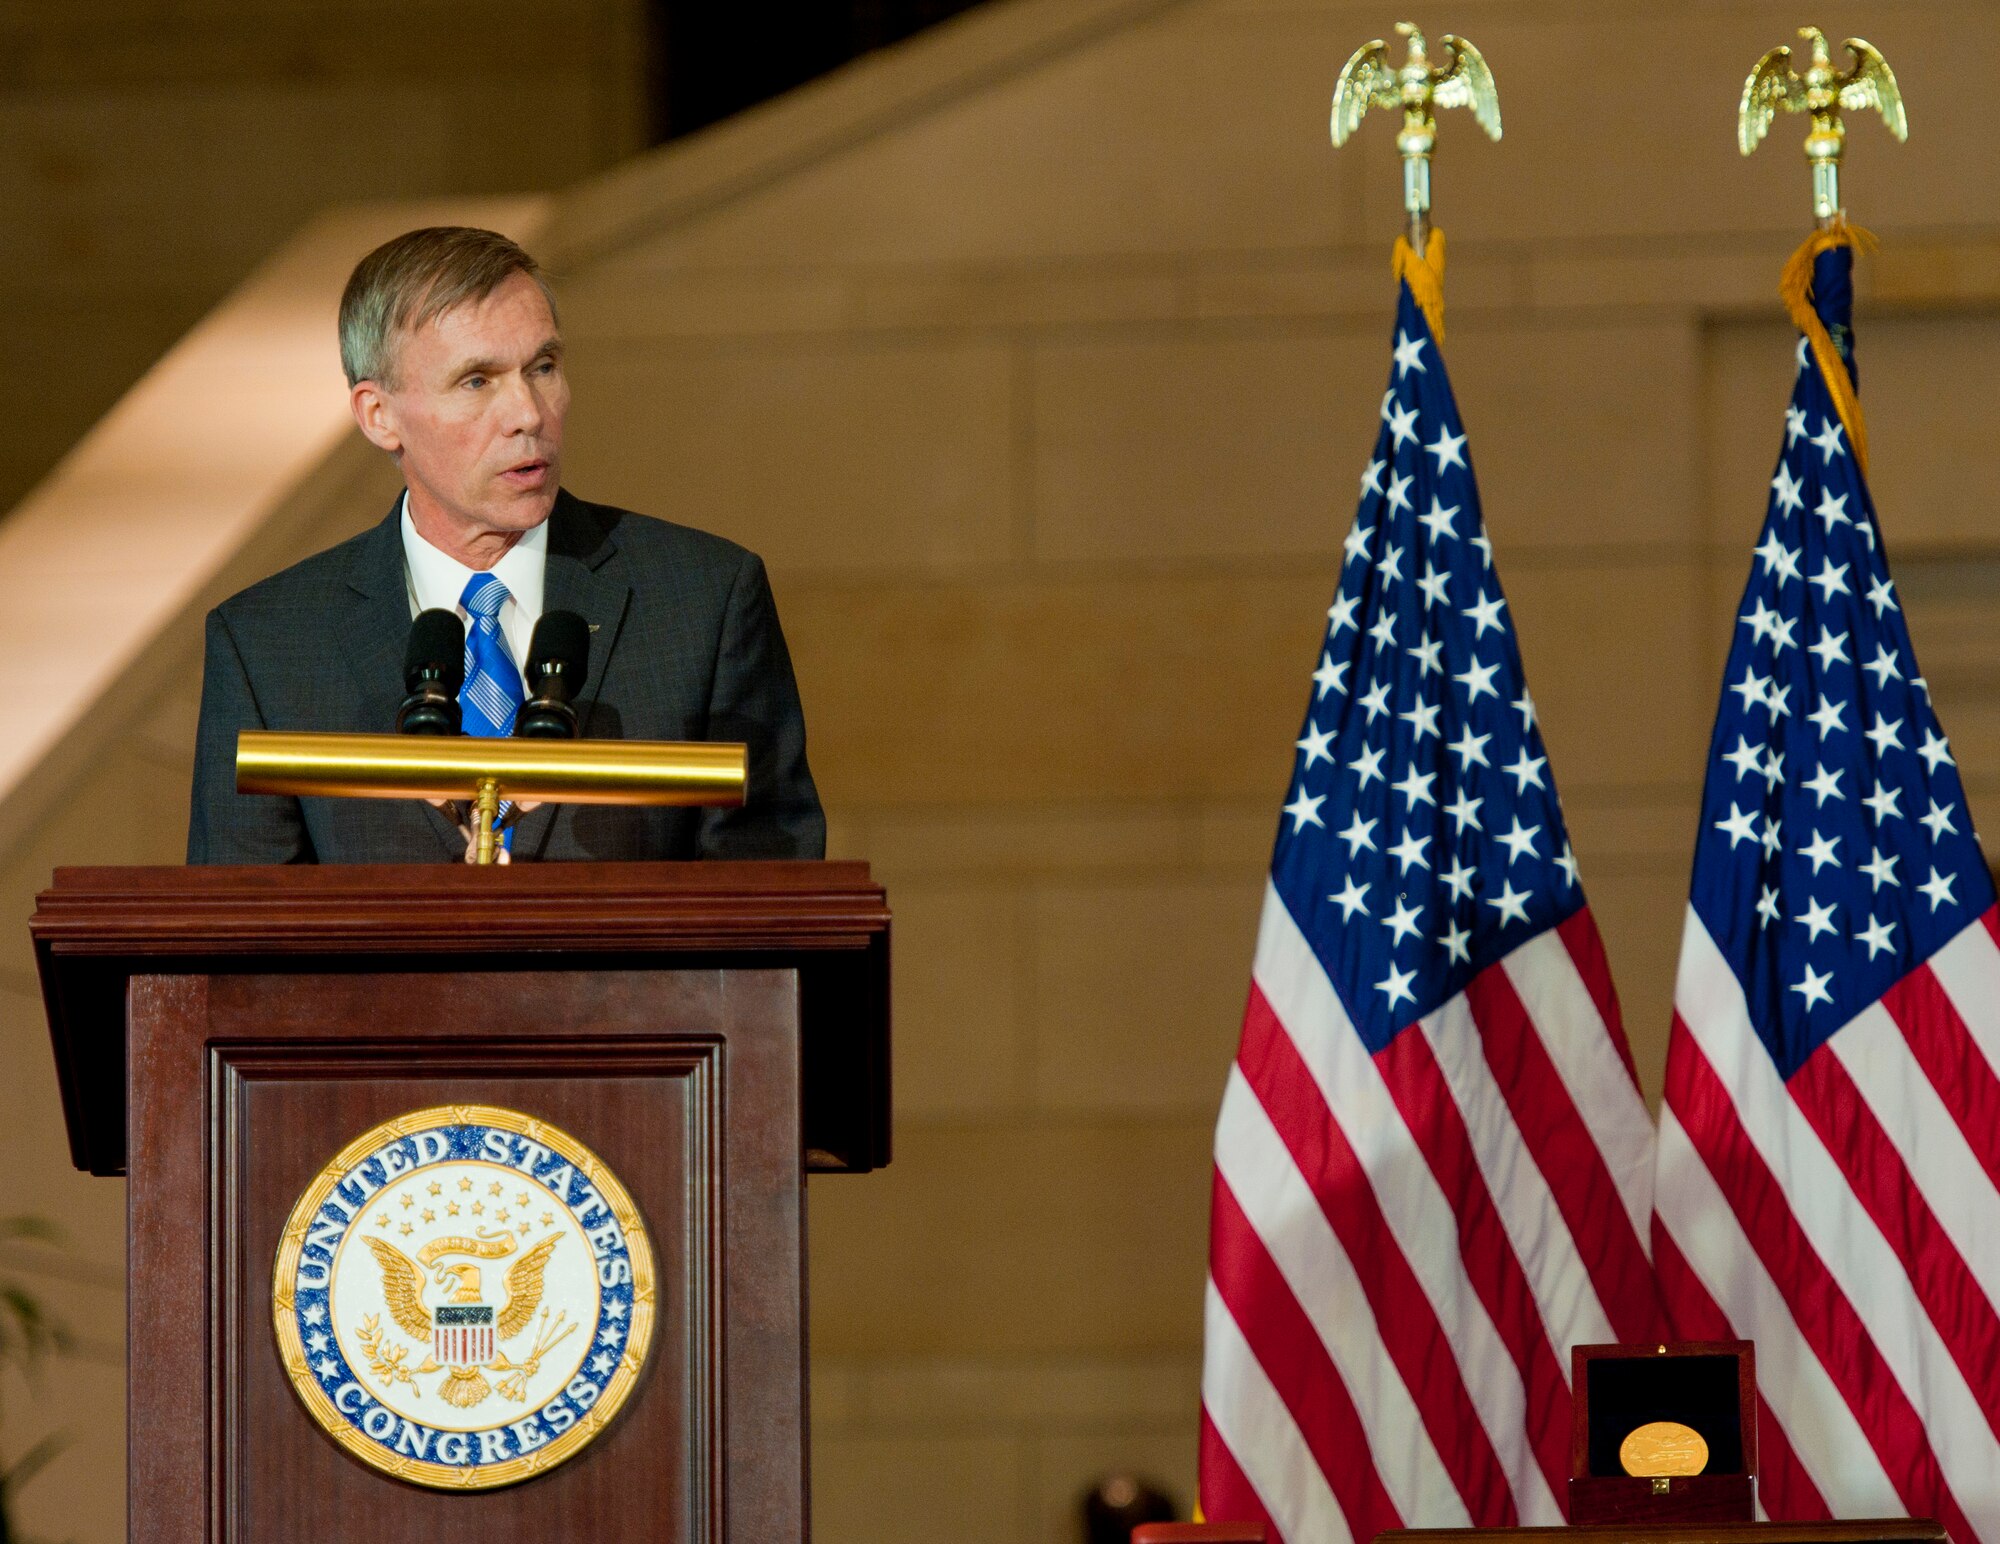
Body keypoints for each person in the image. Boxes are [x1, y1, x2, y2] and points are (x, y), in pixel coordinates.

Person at [185, 226, 823, 863]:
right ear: (379, 415)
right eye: (477, 381)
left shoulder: (702, 600)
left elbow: (777, 904)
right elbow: (234, 939)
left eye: (542, 367)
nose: (528, 412)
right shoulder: (268, 646)